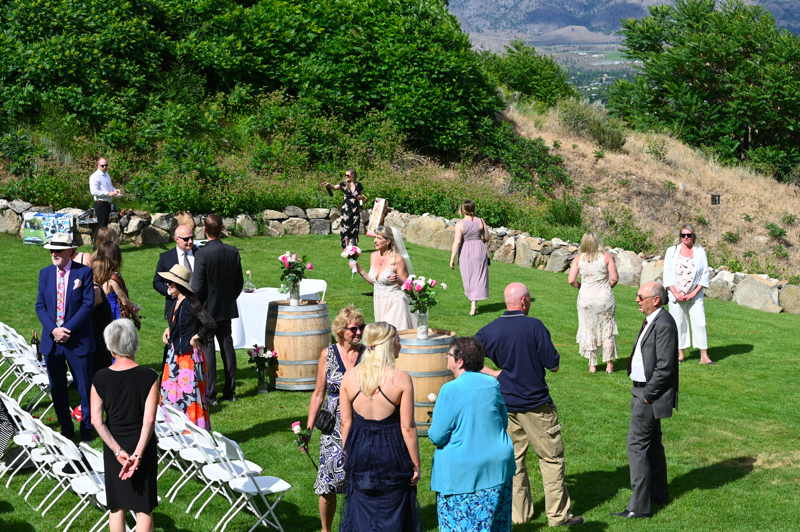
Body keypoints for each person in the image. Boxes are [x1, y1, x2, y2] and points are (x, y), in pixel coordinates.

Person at [475, 283, 583, 527]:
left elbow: (466, 356)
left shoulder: (490, 329)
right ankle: (558, 515)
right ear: (524, 301)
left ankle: (520, 516)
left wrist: (494, 373)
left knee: (514, 461)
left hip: (507, 405)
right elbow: (554, 365)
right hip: (537, 406)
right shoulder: (535, 326)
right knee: (551, 459)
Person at [338, 322, 421, 532]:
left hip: (360, 449)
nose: (400, 345)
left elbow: (346, 423)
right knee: (394, 507)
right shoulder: (401, 379)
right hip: (392, 450)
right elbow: (408, 427)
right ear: (388, 344)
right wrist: (416, 463)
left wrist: (346, 455)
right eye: (398, 340)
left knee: (361, 508)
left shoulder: (349, 377)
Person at [429, 336, 515, 532]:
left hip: (463, 473)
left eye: (449, 354)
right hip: (498, 467)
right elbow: (503, 421)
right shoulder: (492, 384)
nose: (447, 357)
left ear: (460, 361)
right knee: (497, 526)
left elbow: (437, 436)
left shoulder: (450, 389)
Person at [612, 282, 679, 519]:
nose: (637, 300)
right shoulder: (653, 320)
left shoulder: (664, 324)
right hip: (641, 391)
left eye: (641, 296)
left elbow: (665, 368)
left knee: (636, 446)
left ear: (656, 300)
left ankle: (638, 507)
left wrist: (647, 395)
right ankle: (659, 495)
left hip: (647, 395)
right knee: (652, 446)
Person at [91, 319, 159, 532]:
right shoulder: (149, 376)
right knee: (144, 508)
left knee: (116, 506)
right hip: (142, 445)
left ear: (110, 346)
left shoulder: (100, 377)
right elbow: (149, 420)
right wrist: (138, 454)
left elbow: (96, 420)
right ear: (135, 342)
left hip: (114, 445)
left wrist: (118, 451)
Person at [306, 305, 367, 532]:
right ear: (341, 331)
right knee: (328, 482)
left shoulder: (368, 355)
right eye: (354, 329)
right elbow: (318, 394)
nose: (359, 332)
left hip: (361, 424)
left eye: (361, 327)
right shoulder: (328, 354)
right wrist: (309, 429)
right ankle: (326, 529)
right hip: (333, 427)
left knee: (361, 480)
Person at [35, 233, 96, 441]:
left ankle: (87, 428)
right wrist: (54, 330)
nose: (54, 254)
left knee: (84, 388)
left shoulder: (84, 272)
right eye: (51, 250)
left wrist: (66, 329)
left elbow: (88, 305)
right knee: (57, 388)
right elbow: (40, 306)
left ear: (71, 251)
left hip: (78, 341)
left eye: (58, 250)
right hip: (53, 342)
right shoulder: (45, 273)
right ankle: (66, 429)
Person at [191, 214, 244, 405]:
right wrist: (229, 299)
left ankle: (211, 394)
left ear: (205, 230)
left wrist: (197, 306)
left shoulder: (202, 254)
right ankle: (230, 391)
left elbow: (198, 287)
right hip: (226, 306)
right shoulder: (232, 251)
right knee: (227, 346)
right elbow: (239, 283)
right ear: (221, 229)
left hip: (207, 308)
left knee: (208, 349)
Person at [158, 265, 215, 429]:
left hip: (187, 359)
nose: (168, 285)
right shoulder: (176, 302)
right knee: (172, 396)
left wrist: (197, 336)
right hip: (174, 358)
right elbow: (180, 323)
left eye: (171, 282)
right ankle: (174, 431)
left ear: (180, 284)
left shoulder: (190, 303)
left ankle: (193, 432)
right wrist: (170, 329)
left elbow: (210, 324)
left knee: (189, 396)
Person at [568, 231, 619, 373]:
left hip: (586, 299)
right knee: (607, 330)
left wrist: (580, 286)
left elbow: (571, 280)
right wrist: (607, 288)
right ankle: (609, 364)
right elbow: (614, 278)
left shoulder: (578, 259)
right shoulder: (606, 256)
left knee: (589, 329)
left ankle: (592, 365)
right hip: (604, 298)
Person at [663, 223, 713, 365]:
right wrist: (675, 292)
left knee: (701, 324)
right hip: (676, 295)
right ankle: (680, 354)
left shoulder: (700, 252)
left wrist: (693, 293)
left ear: (693, 236)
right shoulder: (671, 251)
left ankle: (704, 356)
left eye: (689, 235)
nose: (686, 237)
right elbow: (667, 273)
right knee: (679, 324)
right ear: (680, 236)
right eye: (683, 235)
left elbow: (704, 274)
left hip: (695, 295)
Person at [352, 225, 417, 331]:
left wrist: (398, 281)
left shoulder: (397, 259)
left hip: (395, 303)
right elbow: (376, 283)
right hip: (379, 303)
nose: (375, 241)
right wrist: (360, 270)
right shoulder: (373, 256)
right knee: (382, 335)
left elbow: (408, 286)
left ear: (388, 241)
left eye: (379, 238)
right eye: (375, 237)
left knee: (392, 335)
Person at [449, 200, 490, 316]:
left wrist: (452, 258)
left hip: (466, 250)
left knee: (468, 276)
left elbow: (457, 242)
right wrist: (479, 241)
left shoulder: (460, 224)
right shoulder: (480, 221)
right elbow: (487, 237)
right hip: (479, 249)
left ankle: (473, 302)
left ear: (462, 210)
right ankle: (474, 302)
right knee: (479, 276)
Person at [153, 225, 198, 321]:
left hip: (198, 306)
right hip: (175, 307)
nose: (190, 241)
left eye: (192, 237)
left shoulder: (199, 254)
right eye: (186, 239)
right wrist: (170, 291)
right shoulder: (166, 257)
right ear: (177, 239)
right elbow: (157, 281)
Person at [96, 240, 141, 329]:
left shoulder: (97, 275)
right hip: (115, 315)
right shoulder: (113, 277)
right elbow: (124, 301)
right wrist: (134, 314)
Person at [322, 168, 364, 248]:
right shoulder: (344, 184)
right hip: (346, 210)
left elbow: (362, 195)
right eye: (345, 175)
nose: (346, 176)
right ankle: (346, 247)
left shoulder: (359, 185)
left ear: (353, 175)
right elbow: (334, 187)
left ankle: (355, 248)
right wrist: (329, 185)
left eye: (348, 175)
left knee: (355, 228)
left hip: (355, 209)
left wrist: (361, 197)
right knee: (346, 228)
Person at [90, 257, 115, 373]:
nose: (113, 271)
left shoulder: (98, 288)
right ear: (103, 270)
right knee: (101, 371)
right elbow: (87, 314)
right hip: (97, 339)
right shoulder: (96, 290)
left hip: (102, 337)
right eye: (111, 269)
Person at [88, 158, 121, 246]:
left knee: (104, 226)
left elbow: (109, 187)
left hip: (107, 204)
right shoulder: (95, 176)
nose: (104, 167)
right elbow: (94, 192)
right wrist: (108, 193)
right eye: (102, 166)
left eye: (106, 165)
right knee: (101, 227)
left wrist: (114, 190)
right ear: (98, 165)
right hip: (100, 203)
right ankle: (96, 247)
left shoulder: (106, 174)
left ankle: (102, 246)